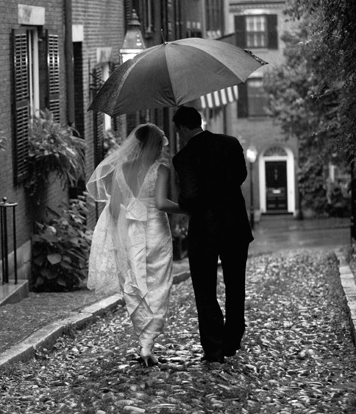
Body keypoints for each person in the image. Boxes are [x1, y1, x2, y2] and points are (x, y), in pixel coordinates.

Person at [87, 123, 182, 366]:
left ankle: (144, 342)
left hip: (131, 231)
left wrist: (122, 239)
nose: (161, 149)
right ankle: (147, 344)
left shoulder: (122, 168)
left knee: (135, 282)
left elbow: (116, 209)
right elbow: (161, 203)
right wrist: (186, 209)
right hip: (156, 231)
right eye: (160, 145)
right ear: (155, 145)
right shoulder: (161, 169)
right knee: (158, 282)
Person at [171, 106, 253, 363]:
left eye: (178, 133)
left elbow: (189, 197)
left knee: (205, 288)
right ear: (199, 122)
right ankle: (233, 337)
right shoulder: (230, 143)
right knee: (235, 283)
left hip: (204, 230)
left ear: (183, 129)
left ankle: (214, 348)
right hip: (235, 225)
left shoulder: (183, 158)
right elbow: (241, 175)